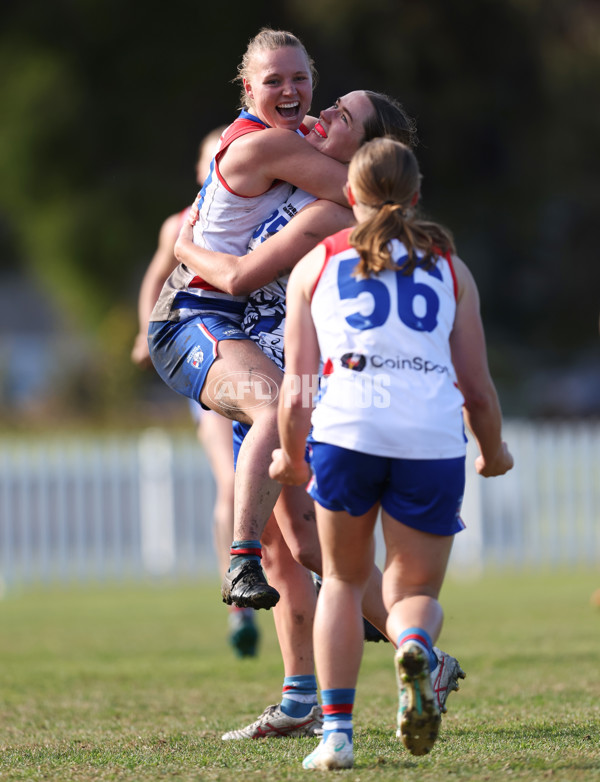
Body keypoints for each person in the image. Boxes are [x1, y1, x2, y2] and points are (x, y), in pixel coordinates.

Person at [175, 95, 465, 740]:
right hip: (280, 366)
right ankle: (320, 690)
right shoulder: (302, 178)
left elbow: (243, 274)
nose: (324, 111)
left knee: (315, 556)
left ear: (361, 156)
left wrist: (185, 248)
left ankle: (367, 684)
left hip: (302, 382)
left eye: (341, 113)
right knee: (297, 549)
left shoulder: (332, 212)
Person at [270, 137, 514, 769]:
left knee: (346, 584)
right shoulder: (450, 268)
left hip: (346, 433)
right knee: (412, 594)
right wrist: (493, 453)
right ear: (416, 193)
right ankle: (412, 644)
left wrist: (293, 457)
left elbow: (297, 386)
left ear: (348, 193)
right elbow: (478, 390)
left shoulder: (314, 266)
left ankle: (336, 737)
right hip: (428, 440)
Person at [149, 28, 357, 612]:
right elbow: (367, 191)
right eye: (274, 81)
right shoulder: (266, 146)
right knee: (275, 402)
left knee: (307, 541)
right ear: (248, 89)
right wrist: (370, 158)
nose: (291, 92)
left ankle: (413, 646)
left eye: (301, 79)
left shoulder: (296, 140)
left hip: (237, 322)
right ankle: (240, 562)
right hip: (191, 315)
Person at [131, 127, 259, 658]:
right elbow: (156, 280)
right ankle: (239, 608)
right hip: (209, 362)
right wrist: (146, 331)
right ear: (203, 171)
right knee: (230, 480)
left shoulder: (257, 216)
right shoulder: (180, 224)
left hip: (251, 353)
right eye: (212, 161)